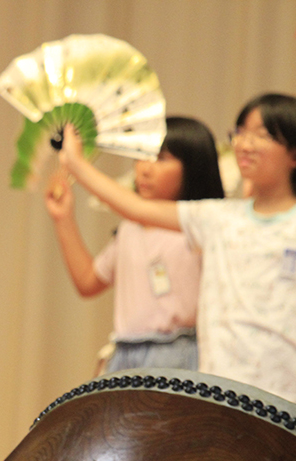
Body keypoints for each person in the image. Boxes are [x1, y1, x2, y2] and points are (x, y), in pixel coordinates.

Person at [59, 93, 296, 410]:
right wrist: (76, 164)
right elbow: (134, 208)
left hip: (290, 400)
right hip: (219, 395)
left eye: (262, 135)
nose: (245, 144)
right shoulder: (217, 218)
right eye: (240, 132)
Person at [44, 117, 225, 373]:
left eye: (161, 159)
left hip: (176, 353)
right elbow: (87, 281)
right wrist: (63, 219)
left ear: (194, 166)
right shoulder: (130, 229)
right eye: (141, 156)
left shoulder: (199, 228)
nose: (144, 169)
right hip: (124, 353)